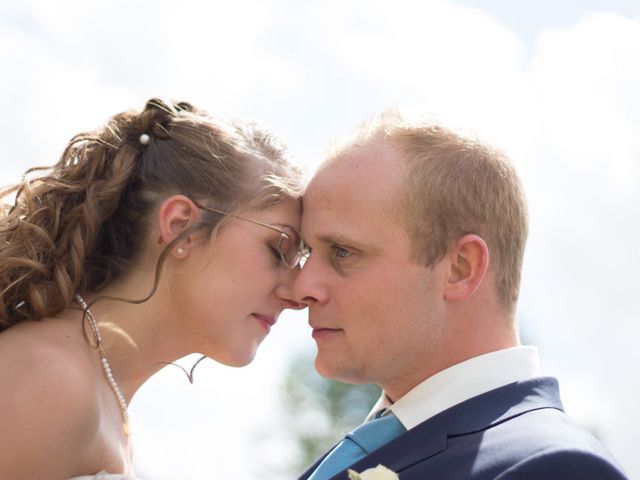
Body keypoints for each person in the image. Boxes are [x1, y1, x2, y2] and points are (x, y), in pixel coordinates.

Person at [293, 111, 627, 480]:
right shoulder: (352, 454)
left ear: (460, 268)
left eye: (342, 251)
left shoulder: (555, 468)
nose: (302, 287)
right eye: (307, 253)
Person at [0, 98, 306, 479]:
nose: (297, 295)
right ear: (180, 225)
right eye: (279, 250)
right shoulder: (49, 379)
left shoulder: (106, 407)